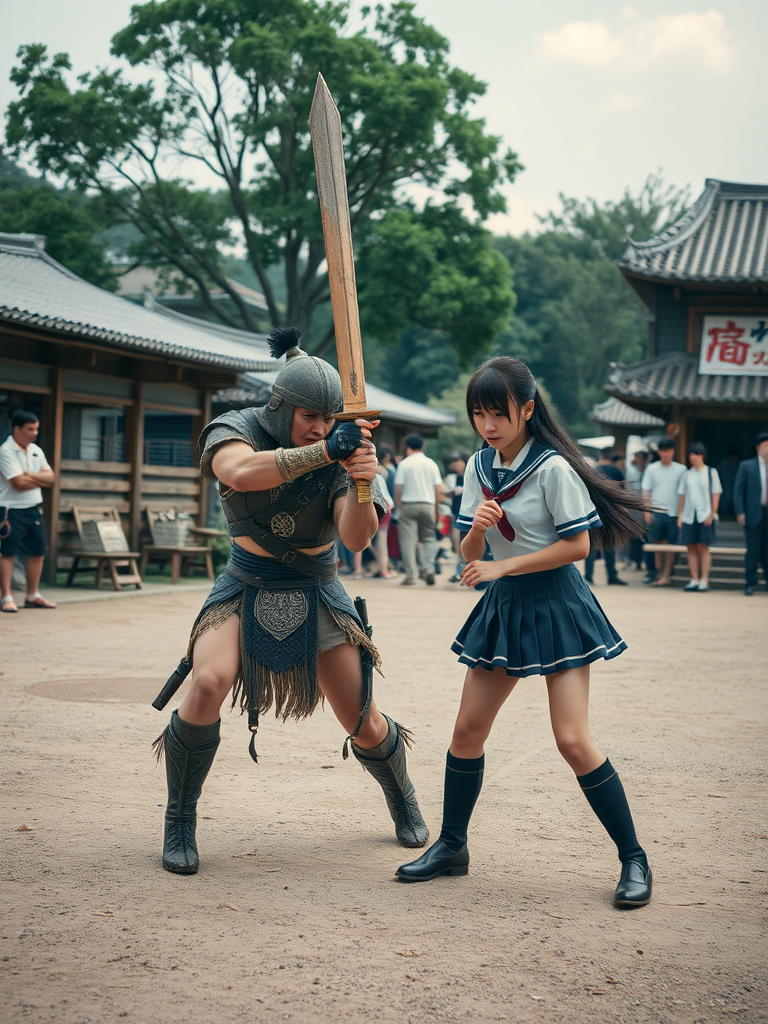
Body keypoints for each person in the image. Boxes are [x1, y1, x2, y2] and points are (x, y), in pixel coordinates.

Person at [153, 328, 428, 875]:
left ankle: (402, 796)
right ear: (281, 406)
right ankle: (180, 815)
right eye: (310, 416)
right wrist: (327, 449)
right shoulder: (237, 428)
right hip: (244, 582)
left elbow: (355, 539)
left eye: (328, 419)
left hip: (316, 587)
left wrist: (361, 481)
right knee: (207, 682)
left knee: (364, 721)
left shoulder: (346, 447)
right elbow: (236, 472)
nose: (321, 427)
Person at [395, 357, 652, 909]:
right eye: (478, 414)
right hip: (506, 604)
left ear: (528, 410)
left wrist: (503, 565)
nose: (487, 426)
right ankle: (452, 847)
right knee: (466, 731)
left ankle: (634, 858)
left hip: (557, 601)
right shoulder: (478, 468)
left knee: (572, 739)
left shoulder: (554, 468)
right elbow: (470, 553)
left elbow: (578, 548)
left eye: (498, 414)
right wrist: (477, 536)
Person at [0, 410, 57, 612]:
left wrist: (28, 475)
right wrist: (36, 478)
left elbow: (51, 479)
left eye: (36, 429)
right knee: (8, 553)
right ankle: (6, 596)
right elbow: (17, 483)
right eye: (30, 429)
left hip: (33, 508)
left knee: (38, 551)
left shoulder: (36, 450)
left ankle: (32, 595)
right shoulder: (5, 450)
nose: (34, 433)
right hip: (10, 509)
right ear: (17, 429)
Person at [394, 434, 443, 586]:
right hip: (428, 504)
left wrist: (398, 508)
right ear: (423, 447)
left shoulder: (404, 464)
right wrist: (437, 510)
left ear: (407, 447)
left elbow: (398, 489)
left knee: (408, 541)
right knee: (429, 538)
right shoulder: (431, 464)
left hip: (408, 505)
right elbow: (438, 489)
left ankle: (411, 575)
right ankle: (428, 569)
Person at [676, 442, 722, 592]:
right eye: (691, 454)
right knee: (691, 547)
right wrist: (679, 516)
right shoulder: (687, 474)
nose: (693, 457)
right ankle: (694, 579)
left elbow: (716, 494)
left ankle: (704, 579)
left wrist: (712, 513)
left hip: (705, 514)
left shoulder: (711, 472)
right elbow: (682, 496)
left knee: (703, 547)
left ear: (702, 455)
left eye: (696, 454)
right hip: (689, 515)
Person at [641, 438, 686, 587]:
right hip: (656, 511)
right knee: (657, 545)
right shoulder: (652, 468)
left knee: (671, 545)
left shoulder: (681, 469)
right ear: (659, 452)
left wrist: (681, 514)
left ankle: (666, 575)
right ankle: (660, 573)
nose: (666, 454)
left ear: (673, 451)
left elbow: (683, 494)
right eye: (663, 451)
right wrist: (646, 511)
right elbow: (646, 490)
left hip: (673, 513)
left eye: (669, 450)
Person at [583, 448, 627, 586]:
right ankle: (612, 575)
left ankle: (588, 575)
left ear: (601, 456)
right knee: (609, 545)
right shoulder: (617, 472)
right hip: (611, 513)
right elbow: (622, 494)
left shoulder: (593, 471)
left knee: (592, 545)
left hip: (593, 511)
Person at [733, 431, 768, 596]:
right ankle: (750, 583)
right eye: (766, 446)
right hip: (753, 513)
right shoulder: (747, 466)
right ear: (758, 447)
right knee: (753, 550)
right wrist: (740, 512)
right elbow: (738, 491)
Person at [624, 450, 650, 571]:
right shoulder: (631, 472)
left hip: (645, 508)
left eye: (641, 458)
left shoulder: (648, 471)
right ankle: (634, 560)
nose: (638, 461)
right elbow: (628, 489)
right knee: (634, 537)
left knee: (646, 536)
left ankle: (643, 561)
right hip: (634, 508)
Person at [444, 454, 468, 583]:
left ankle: (461, 572)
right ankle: (460, 571)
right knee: (457, 545)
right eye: (454, 463)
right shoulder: (454, 478)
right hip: (456, 514)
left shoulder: (471, 475)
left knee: (464, 545)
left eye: (458, 462)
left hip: (468, 516)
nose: (455, 465)